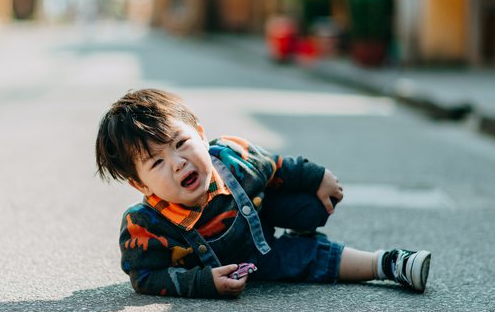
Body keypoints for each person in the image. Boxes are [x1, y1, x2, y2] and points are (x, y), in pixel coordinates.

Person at [95, 88, 431, 298]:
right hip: (254, 263)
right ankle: (387, 263)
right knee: (311, 256)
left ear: (200, 133)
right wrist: (204, 283)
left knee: (312, 203)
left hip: (259, 217)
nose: (178, 163)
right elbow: (145, 276)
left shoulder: (230, 157)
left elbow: (275, 165)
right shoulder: (145, 226)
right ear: (140, 185)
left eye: (181, 143)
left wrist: (317, 177)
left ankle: (306, 223)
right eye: (156, 163)